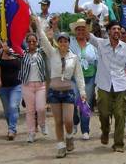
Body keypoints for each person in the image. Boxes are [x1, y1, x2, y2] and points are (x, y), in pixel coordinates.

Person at [33, 16, 86, 158]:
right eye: (61, 41)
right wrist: (38, 26)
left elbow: (79, 76)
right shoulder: (52, 53)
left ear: (69, 43)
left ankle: (69, 136)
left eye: (65, 41)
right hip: (54, 92)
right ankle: (61, 146)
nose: (63, 43)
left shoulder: (74, 57)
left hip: (68, 92)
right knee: (58, 121)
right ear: (58, 42)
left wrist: (82, 92)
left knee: (68, 120)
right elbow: (43, 40)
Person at [88, 20, 126, 152]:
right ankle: (105, 131)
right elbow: (88, 35)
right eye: (114, 29)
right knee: (104, 113)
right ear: (109, 31)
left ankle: (118, 143)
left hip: (121, 85)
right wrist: (88, 19)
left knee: (120, 114)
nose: (117, 31)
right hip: (104, 85)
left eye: (118, 29)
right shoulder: (100, 43)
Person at [69, 19, 97, 140]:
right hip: (74, 77)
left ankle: (85, 129)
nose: (81, 31)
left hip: (89, 77)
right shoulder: (71, 43)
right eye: (78, 29)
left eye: (83, 29)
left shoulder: (93, 46)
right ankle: (75, 120)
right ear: (75, 31)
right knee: (74, 100)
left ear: (86, 31)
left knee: (86, 103)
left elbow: (97, 61)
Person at [18, 32, 48, 143]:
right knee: (30, 111)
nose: (31, 43)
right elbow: (11, 51)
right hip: (27, 85)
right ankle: (31, 133)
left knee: (41, 108)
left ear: (37, 42)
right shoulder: (22, 53)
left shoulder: (42, 52)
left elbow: (49, 45)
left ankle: (42, 124)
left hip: (40, 85)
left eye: (34, 41)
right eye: (29, 41)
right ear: (26, 42)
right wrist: (6, 48)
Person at [0, 41, 22, 141]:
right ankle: (12, 126)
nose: (6, 45)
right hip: (3, 88)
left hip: (16, 86)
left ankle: (11, 130)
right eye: (5, 43)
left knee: (13, 106)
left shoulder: (18, 53)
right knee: (7, 112)